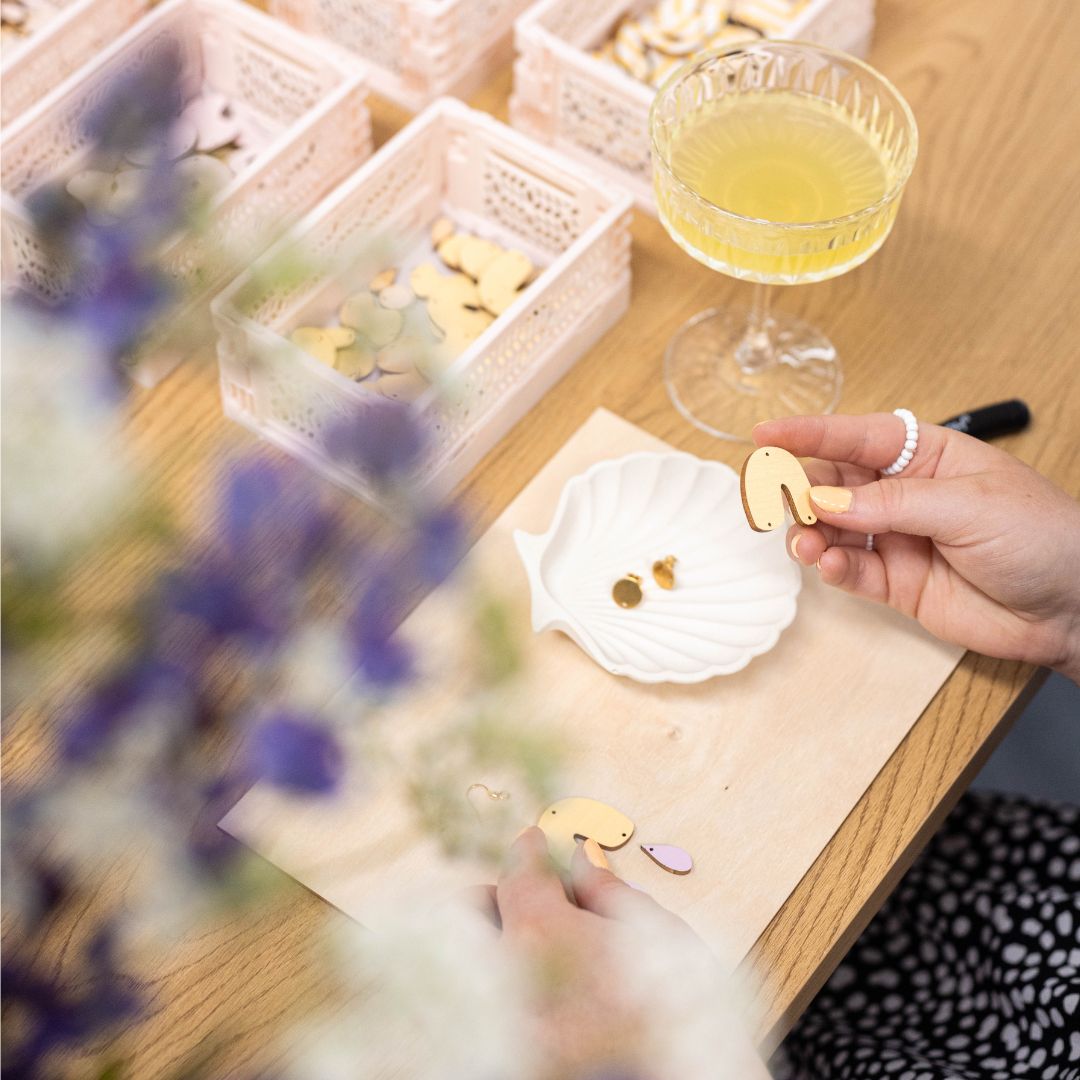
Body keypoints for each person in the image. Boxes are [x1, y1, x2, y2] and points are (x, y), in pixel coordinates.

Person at [473, 412, 1080, 1080]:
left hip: (877, 1029)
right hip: (1013, 891)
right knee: (910, 869)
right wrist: (1070, 610)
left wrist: (672, 1060)